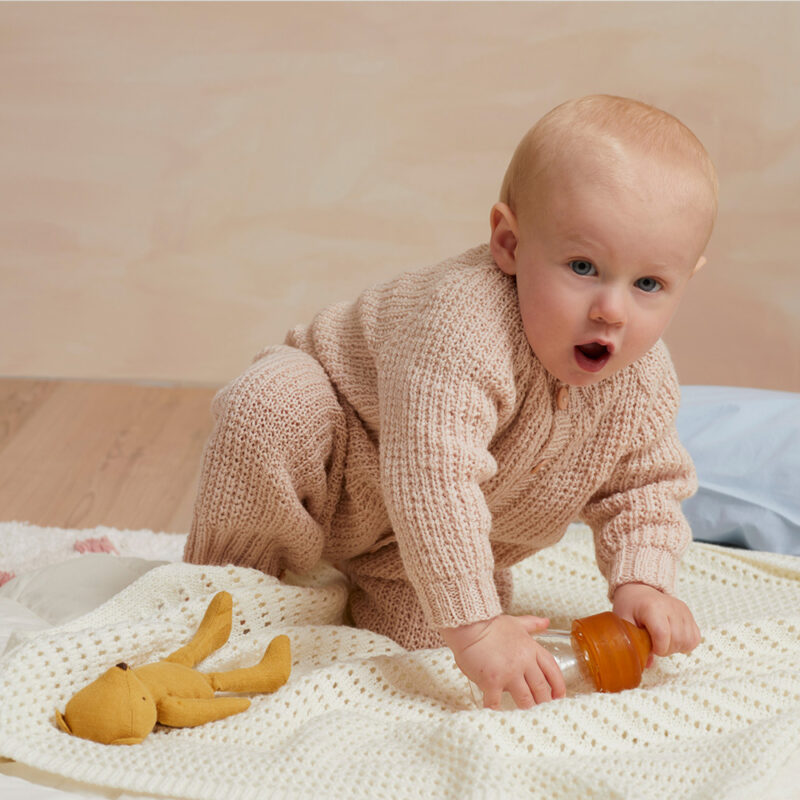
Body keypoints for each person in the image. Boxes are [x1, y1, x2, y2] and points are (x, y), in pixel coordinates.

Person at [185, 94, 712, 709]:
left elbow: (642, 488)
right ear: (510, 243)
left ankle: (391, 592)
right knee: (271, 407)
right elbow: (433, 478)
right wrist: (478, 625)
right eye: (582, 265)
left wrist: (643, 580)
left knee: (427, 673)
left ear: (685, 279)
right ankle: (221, 587)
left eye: (649, 284)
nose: (612, 309)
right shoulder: (463, 326)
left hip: (413, 550)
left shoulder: (643, 378)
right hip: (340, 457)